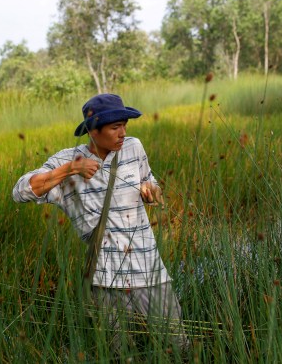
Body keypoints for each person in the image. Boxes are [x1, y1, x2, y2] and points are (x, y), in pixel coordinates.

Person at [12, 93, 189, 356]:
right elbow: (20, 191)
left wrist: (151, 190)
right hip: (104, 279)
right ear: (93, 132)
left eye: (125, 125)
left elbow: (155, 186)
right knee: (118, 354)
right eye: (115, 127)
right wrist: (70, 169)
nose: (123, 132)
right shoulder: (68, 160)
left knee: (179, 346)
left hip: (148, 270)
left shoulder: (133, 147)